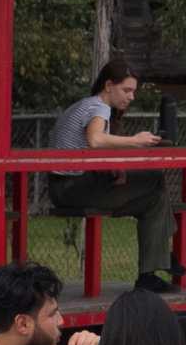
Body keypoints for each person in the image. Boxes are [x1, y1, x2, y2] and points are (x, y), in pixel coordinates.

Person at [48, 58, 178, 293]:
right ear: (109, 86)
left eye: (133, 91)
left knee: (154, 200)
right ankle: (163, 256)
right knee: (154, 178)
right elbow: (95, 140)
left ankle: (152, 269)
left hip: (66, 186)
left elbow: (84, 149)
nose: (131, 97)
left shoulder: (85, 105)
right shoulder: (99, 107)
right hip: (72, 187)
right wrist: (135, 141)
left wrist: (112, 168)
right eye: (126, 90)